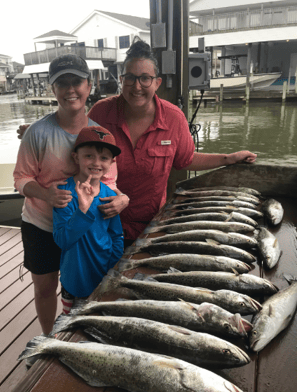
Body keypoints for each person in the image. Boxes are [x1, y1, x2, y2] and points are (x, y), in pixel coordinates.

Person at [17, 39, 257, 248]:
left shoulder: (174, 118)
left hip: (150, 224)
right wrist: (36, 129)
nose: (137, 85)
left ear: (157, 82)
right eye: (130, 77)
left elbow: (185, 160)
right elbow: (75, 128)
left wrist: (228, 159)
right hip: (102, 224)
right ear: (122, 80)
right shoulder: (102, 111)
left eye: (145, 78)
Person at [13, 54, 129, 335]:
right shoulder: (38, 133)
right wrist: (46, 195)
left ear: (89, 85)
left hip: (83, 227)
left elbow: (108, 181)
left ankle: (82, 334)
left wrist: (123, 198)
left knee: (85, 283)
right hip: (42, 224)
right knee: (44, 287)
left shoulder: (101, 136)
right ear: (53, 90)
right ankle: (47, 337)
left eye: (76, 81)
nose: (70, 90)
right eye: (61, 83)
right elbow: (20, 178)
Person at [53, 126, 123, 314]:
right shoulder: (64, 194)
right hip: (73, 277)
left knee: (97, 318)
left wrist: (112, 268)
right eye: (89, 156)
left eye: (104, 158)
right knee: (69, 323)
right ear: (76, 157)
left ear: (112, 162)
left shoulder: (109, 196)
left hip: (102, 272)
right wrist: (82, 210)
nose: (96, 163)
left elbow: (116, 236)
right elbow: (62, 239)